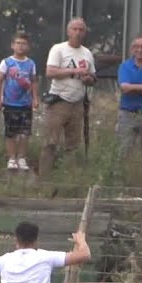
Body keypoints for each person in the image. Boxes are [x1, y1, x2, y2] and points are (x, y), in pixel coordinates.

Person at [41, 18, 97, 179]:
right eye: (75, 29)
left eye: (81, 30)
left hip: (78, 103)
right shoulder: (58, 49)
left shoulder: (87, 53)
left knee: (73, 145)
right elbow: (50, 72)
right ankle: (45, 179)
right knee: (50, 142)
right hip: (59, 101)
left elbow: (93, 77)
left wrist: (88, 79)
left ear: (85, 33)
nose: (78, 33)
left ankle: (69, 179)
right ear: (68, 31)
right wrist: (74, 72)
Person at [0, 31, 38, 172]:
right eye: (18, 43)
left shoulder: (31, 64)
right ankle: (12, 158)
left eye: (24, 44)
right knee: (11, 132)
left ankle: (22, 158)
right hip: (10, 104)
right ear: (12, 45)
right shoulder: (6, 62)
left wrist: (35, 98)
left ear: (28, 47)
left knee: (25, 133)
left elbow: (34, 81)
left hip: (26, 104)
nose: (21, 46)